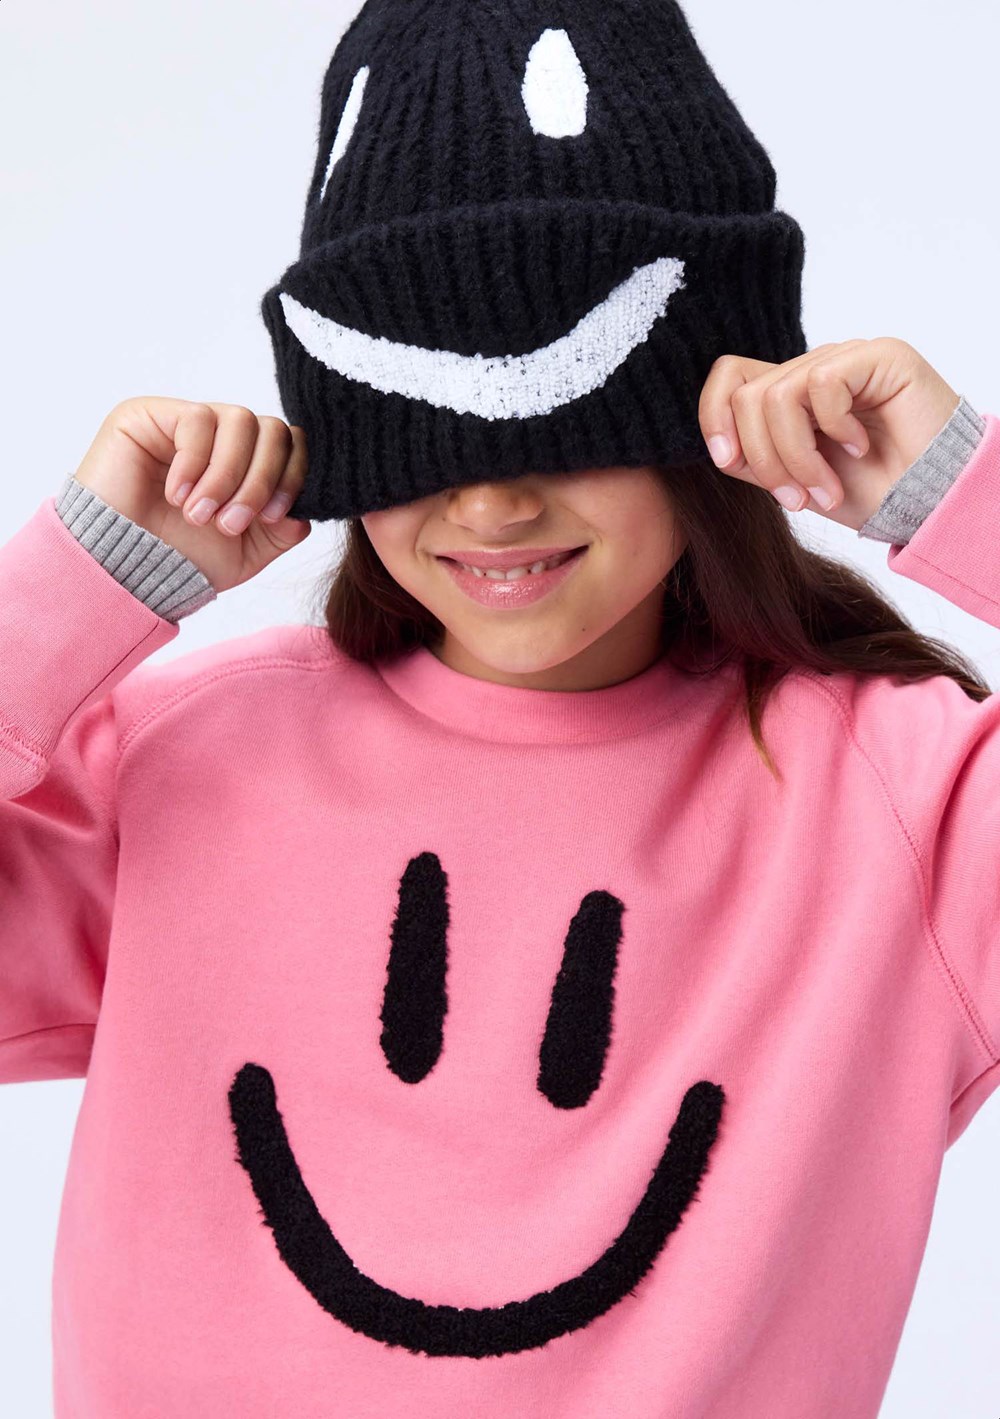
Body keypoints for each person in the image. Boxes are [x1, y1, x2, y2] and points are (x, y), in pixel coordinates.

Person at [2, 1, 998, 1416]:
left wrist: (964, 489)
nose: (490, 504)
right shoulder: (183, 758)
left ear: (716, 416)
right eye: (423, 440)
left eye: (569, 431)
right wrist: (75, 586)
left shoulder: (904, 803)